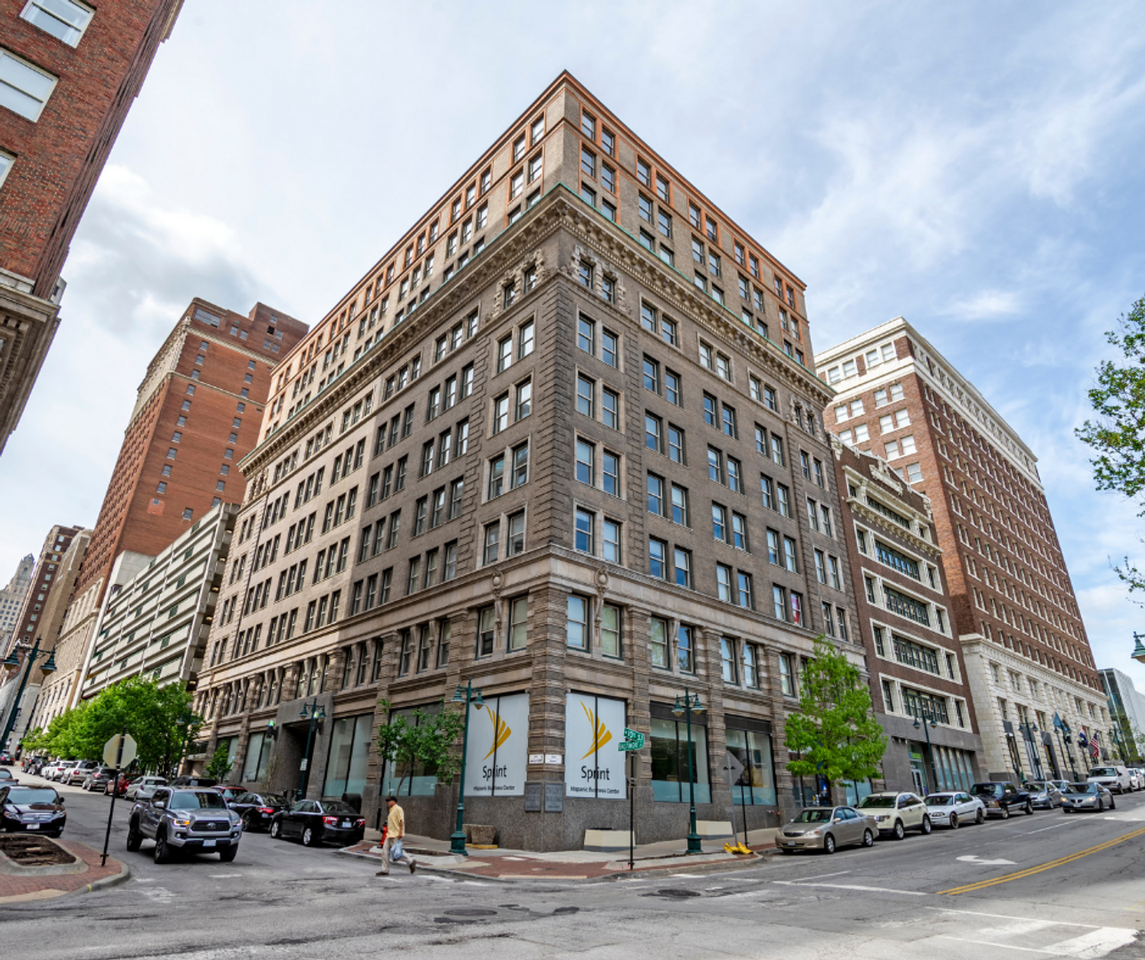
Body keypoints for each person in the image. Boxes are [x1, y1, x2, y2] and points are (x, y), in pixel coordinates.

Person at [376, 795, 416, 876]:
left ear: (394, 801)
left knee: (397, 851)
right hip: (389, 834)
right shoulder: (391, 810)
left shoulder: (398, 809)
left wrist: (401, 832)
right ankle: (385, 869)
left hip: (395, 834)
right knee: (385, 851)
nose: (388, 802)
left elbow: (401, 821)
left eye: (389, 801)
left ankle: (410, 861)